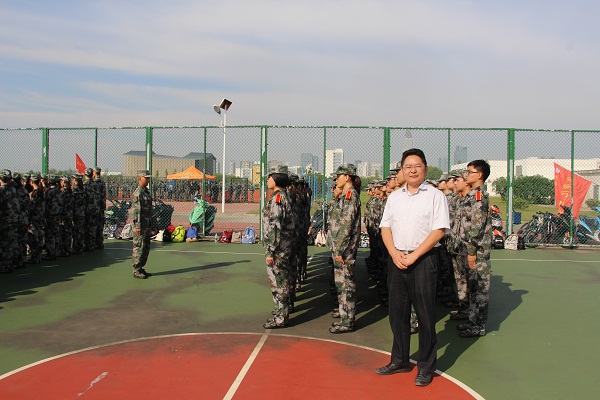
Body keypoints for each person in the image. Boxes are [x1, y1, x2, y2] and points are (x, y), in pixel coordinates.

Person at [376, 148, 450, 387]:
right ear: (402, 170)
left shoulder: (435, 196)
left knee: (425, 316)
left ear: (425, 169)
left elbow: (439, 230)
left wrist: (415, 255)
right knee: (397, 314)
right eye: (408, 166)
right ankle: (400, 360)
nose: (413, 170)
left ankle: (426, 367)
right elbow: (385, 227)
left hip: (424, 260)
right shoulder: (394, 197)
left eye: (417, 166)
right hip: (397, 259)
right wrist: (393, 253)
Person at [456, 160, 492, 338]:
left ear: (479, 175)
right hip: (469, 249)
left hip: (477, 252)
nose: (467, 175)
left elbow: (476, 228)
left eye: (470, 172)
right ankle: (472, 320)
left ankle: (479, 325)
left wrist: (471, 252)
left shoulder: (479, 196)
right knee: (472, 288)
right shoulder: (472, 195)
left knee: (480, 289)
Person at [328, 163, 361, 334]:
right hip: (342, 247)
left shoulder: (350, 195)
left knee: (346, 284)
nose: (336, 180)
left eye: (338, 176)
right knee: (341, 283)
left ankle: (348, 321)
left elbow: (347, 224)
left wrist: (340, 249)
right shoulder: (345, 195)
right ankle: (344, 317)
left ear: (347, 177)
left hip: (345, 249)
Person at [261, 170, 294, 329]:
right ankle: (280, 313)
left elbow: (275, 226)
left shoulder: (278, 199)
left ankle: (281, 317)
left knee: (279, 282)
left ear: (276, 180)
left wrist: (270, 251)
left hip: (278, 249)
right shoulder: (281, 197)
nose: (267, 180)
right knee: (280, 281)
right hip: (282, 247)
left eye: (270, 178)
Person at [131, 170, 153, 279]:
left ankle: (141, 268)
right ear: (140, 178)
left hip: (146, 224)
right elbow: (137, 211)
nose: (148, 180)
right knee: (139, 246)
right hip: (140, 225)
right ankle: (136, 269)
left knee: (145, 247)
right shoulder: (138, 193)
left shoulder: (146, 192)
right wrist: (138, 226)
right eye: (146, 178)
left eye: (148, 178)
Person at [0, 170, 21, 273]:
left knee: (5, 243)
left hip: (5, 220)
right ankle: (15, 262)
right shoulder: (13, 189)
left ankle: (6, 266)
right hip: (15, 218)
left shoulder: (2, 190)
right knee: (13, 240)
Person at [93, 167, 107, 249]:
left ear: (95, 173)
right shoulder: (102, 182)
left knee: (94, 225)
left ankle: (94, 243)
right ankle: (100, 242)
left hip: (96, 207)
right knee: (100, 225)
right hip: (101, 207)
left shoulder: (95, 183)